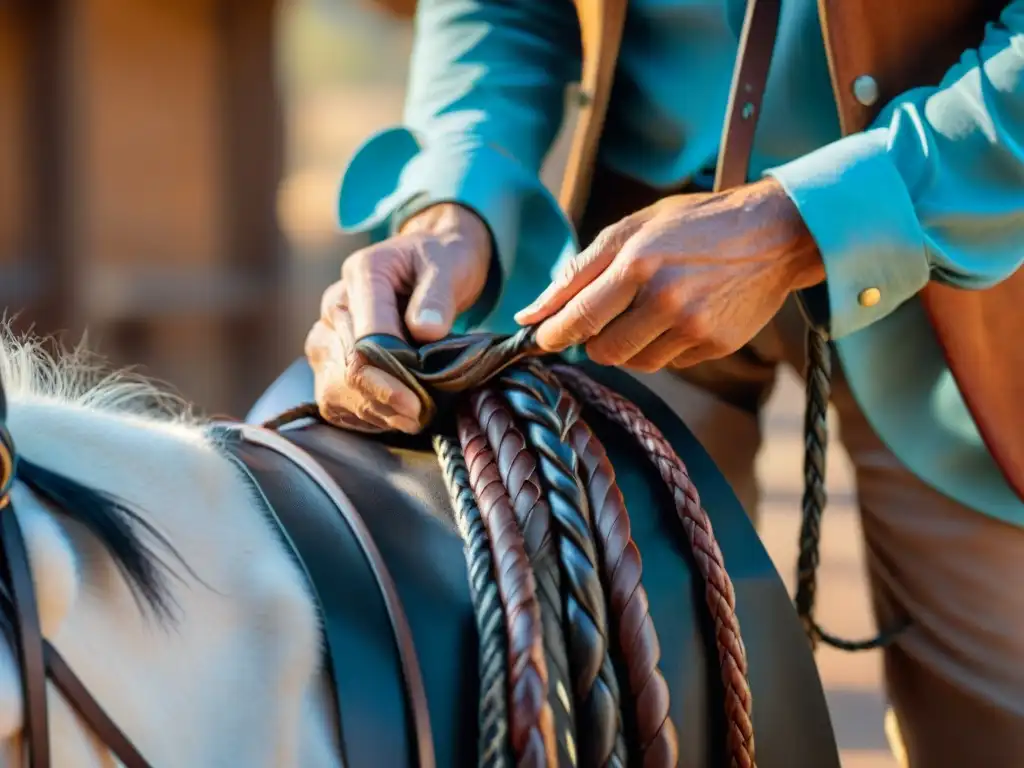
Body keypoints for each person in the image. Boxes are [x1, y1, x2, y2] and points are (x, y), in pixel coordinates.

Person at [305, 1, 1024, 765]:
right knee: (631, 714)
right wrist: (455, 198)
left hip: (973, 270)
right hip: (627, 279)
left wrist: (800, 223)